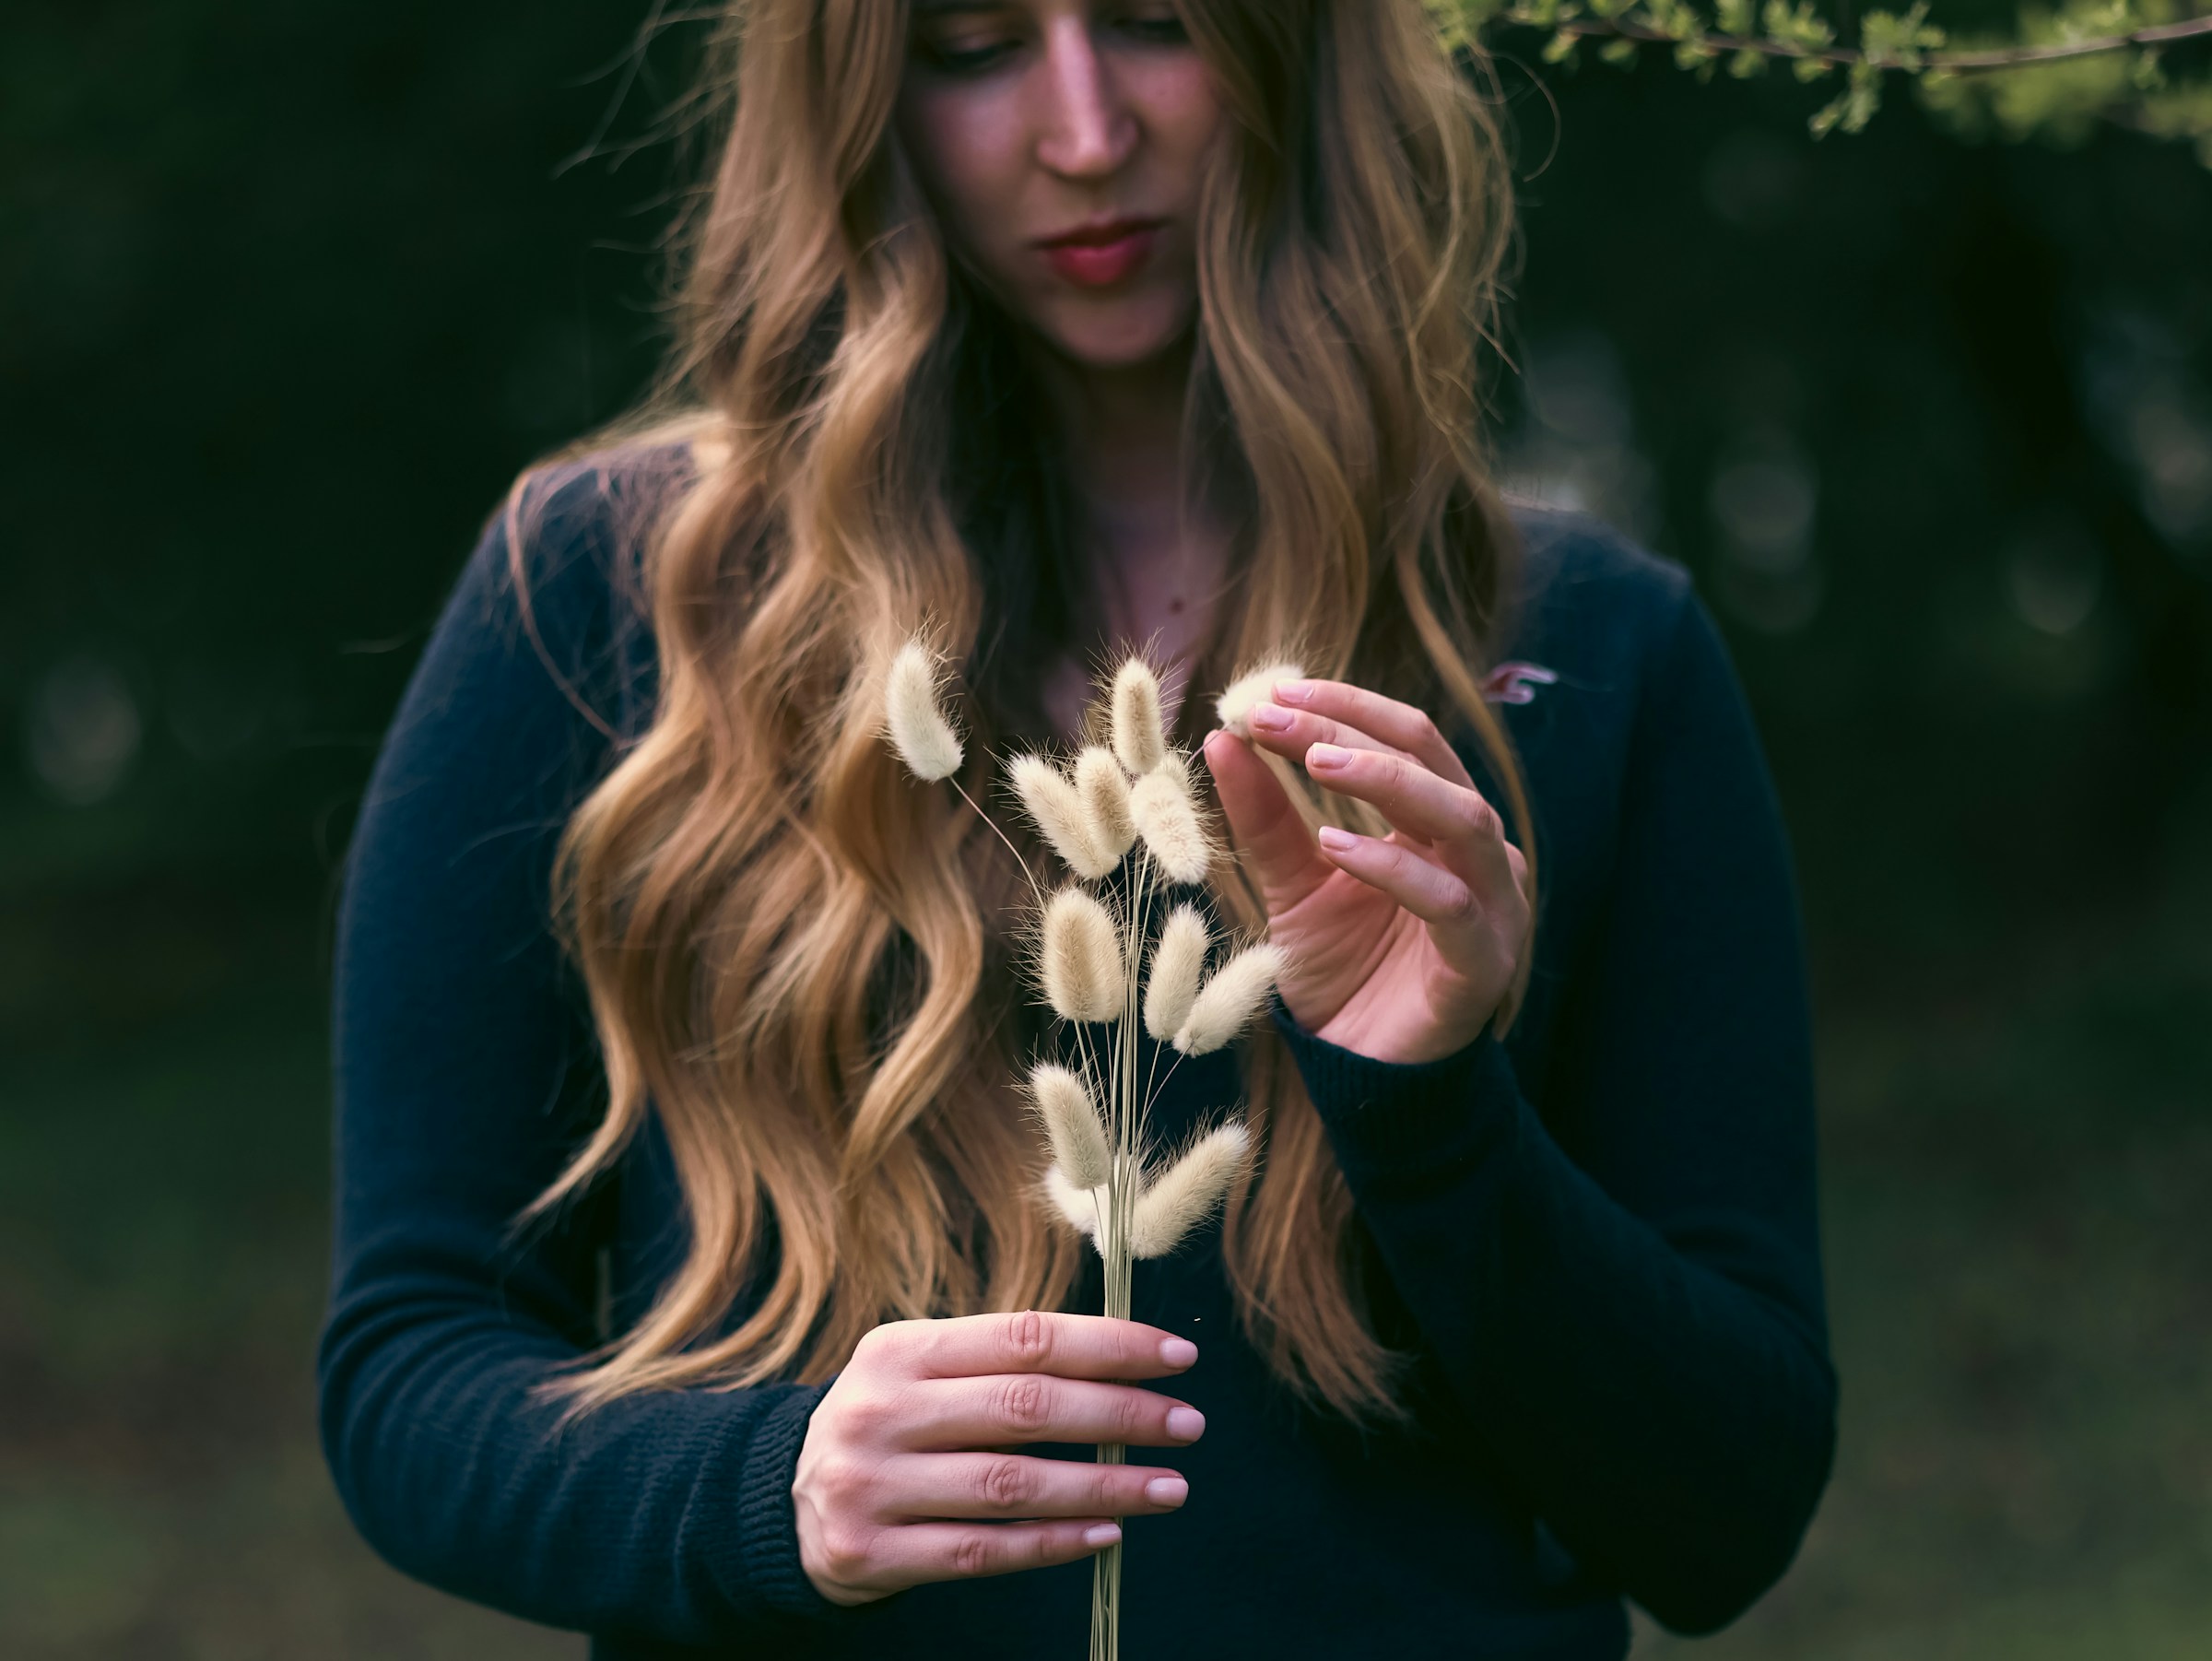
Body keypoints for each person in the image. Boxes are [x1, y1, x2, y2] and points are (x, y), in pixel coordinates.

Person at [317, 1, 1838, 1656]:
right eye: (973, 47)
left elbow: (1726, 1518)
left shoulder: (1590, 655)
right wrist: (769, 1484)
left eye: (1155, 23)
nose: (1086, 133)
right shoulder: (611, 605)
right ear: (858, 101)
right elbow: (412, 1364)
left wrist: (1438, 1122)